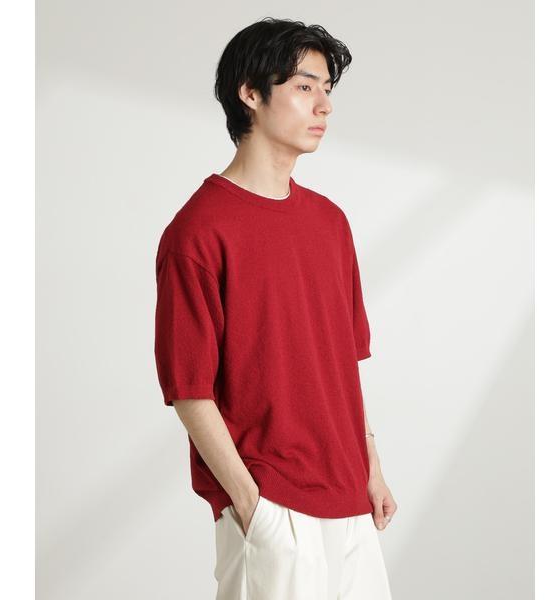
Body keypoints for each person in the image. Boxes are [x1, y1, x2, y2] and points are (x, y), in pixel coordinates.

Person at [154, 17, 397, 600]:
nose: (324, 105)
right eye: (305, 86)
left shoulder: (330, 223)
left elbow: (342, 364)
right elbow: (189, 388)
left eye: (327, 90)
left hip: (350, 502)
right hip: (273, 506)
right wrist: (248, 501)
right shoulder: (198, 232)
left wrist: (371, 467)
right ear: (250, 93)